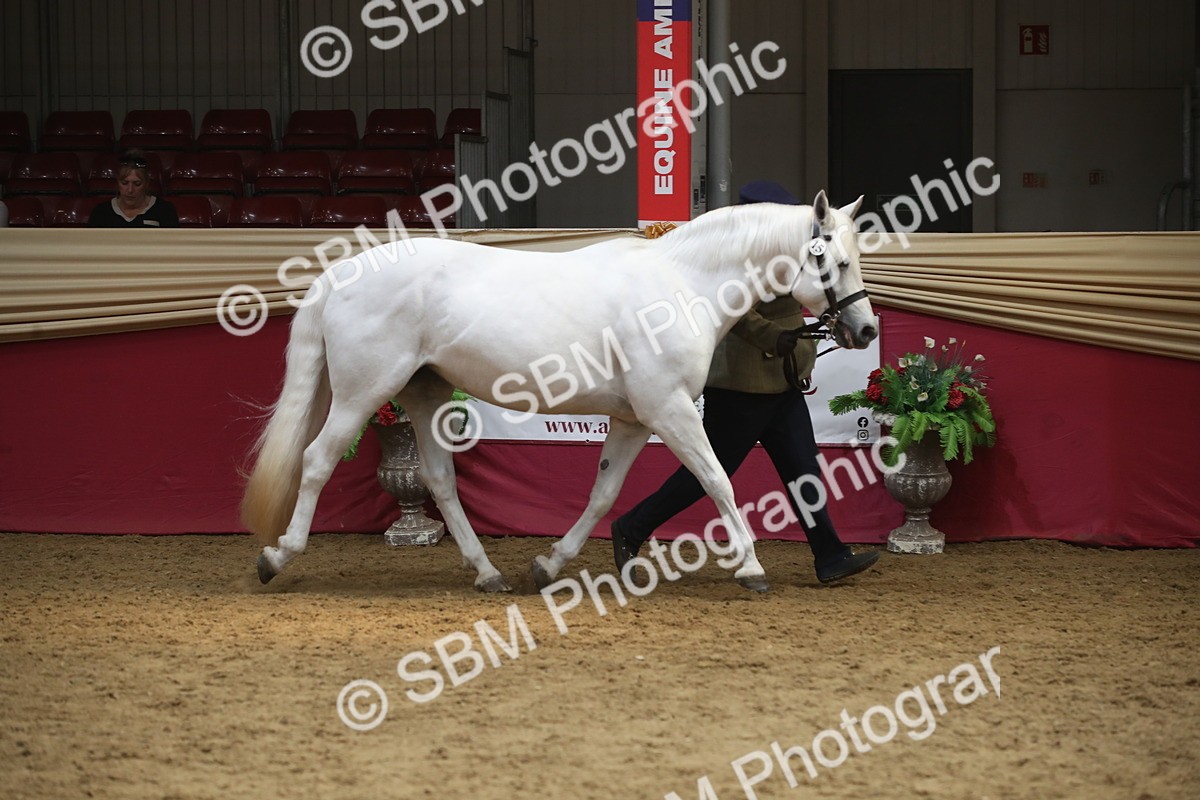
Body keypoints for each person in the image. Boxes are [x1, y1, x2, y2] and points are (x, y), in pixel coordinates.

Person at [611, 180, 880, 585]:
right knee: (704, 475)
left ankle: (829, 555)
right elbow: (733, 309)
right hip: (742, 383)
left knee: (803, 469)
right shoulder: (735, 253)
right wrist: (770, 337)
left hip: (784, 379)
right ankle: (632, 526)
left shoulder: (794, 251)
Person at [87, 149, 179, 228]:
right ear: (118, 182)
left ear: (146, 183)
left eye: (137, 184)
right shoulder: (101, 213)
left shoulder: (164, 211)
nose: (130, 190)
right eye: (125, 183)